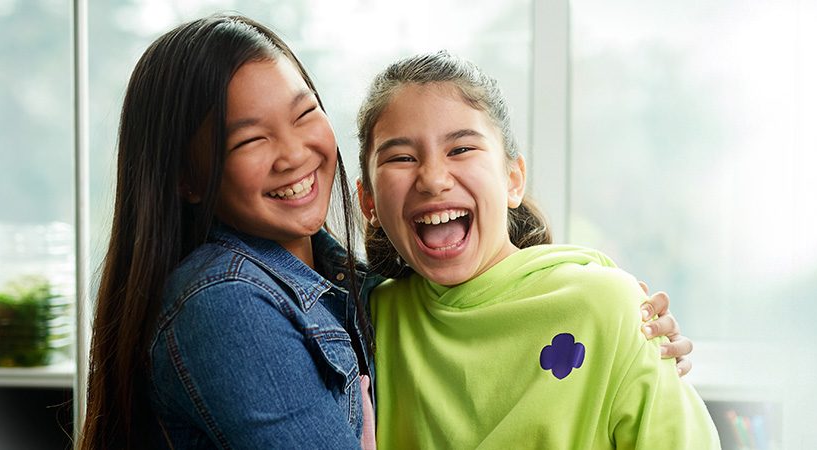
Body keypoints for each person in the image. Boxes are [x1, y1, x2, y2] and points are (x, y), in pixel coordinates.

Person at [81, 14, 694, 449]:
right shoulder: (241, 303)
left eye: (303, 115)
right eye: (250, 138)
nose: (294, 154)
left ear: (513, 178)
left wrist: (617, 308)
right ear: (369, 201)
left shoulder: (354, 295)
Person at [356, 50, 721, 449]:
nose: (433, 178)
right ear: (368, 201)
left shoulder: (609, 307)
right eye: (402, 157)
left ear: (513, 179)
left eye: (461, 149)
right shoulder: (365, 320)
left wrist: (635, 341)